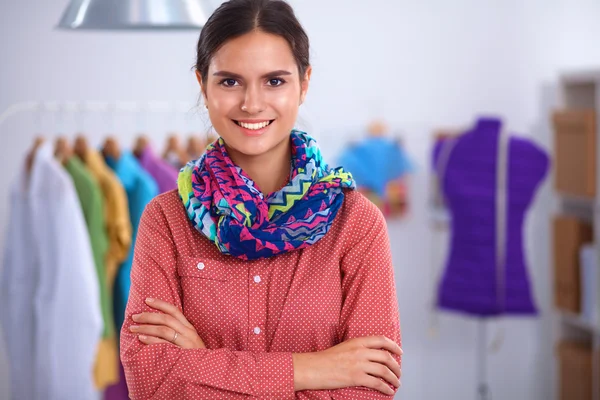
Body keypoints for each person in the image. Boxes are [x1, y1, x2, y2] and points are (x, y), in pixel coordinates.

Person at [120, 0, 403, 398]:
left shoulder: (356, 223)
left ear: (304, 84)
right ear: (203, 86)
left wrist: (202, 364)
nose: (252, 104)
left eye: (274, 81)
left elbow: (371, 389)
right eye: (230, 81)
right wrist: (311, 369)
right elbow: (152, 380)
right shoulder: (166, 219)